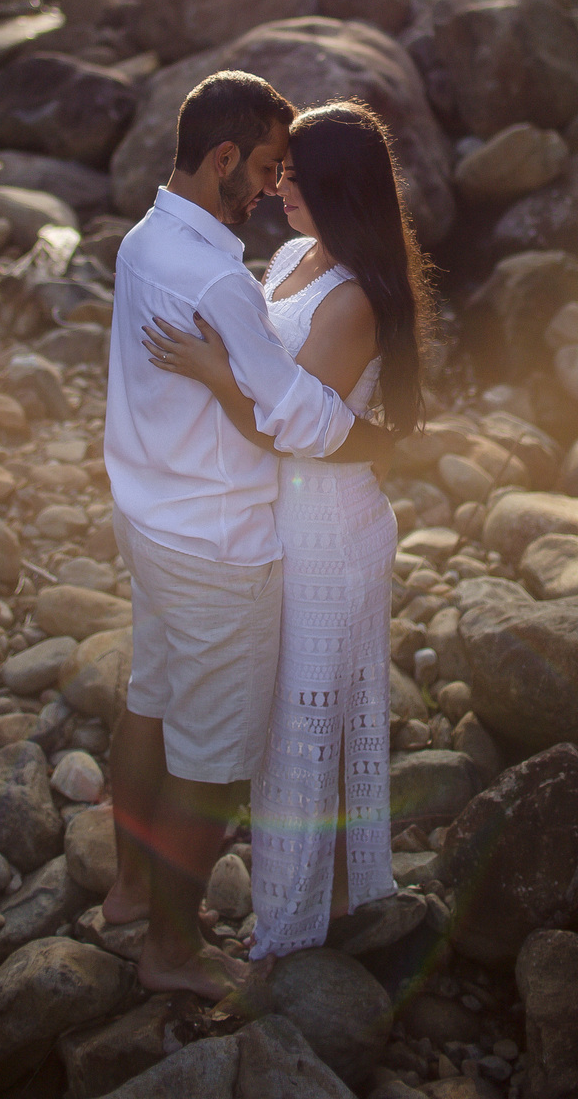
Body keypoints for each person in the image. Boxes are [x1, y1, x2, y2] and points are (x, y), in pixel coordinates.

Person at [102, 71, 395, 1002]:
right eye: (269, 166)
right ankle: (172, 948)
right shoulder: (229, 276)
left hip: (151, 517)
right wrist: (385, 443)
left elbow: (280, 394)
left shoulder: (144, 241)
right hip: (222, 541)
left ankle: (127, 886)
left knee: (151, 697)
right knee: (216, 758)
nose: (273, 186)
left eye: (292, 171)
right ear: (223, 157)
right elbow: (290, 416)